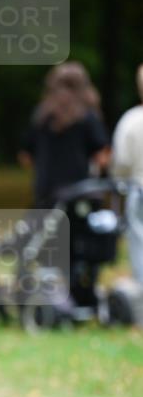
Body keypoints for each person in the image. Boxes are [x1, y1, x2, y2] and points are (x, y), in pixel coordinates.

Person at [18, 61, 109, 209]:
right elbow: (102, 158)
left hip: (45, 194)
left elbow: (25, 158)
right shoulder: (88, 117)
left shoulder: (42, 115)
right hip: (80, 193)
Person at [111, 65, 143, 285]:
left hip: (138, 189)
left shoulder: (131, 121)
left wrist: (119, 181)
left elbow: (121, 162)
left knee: (140, 244)